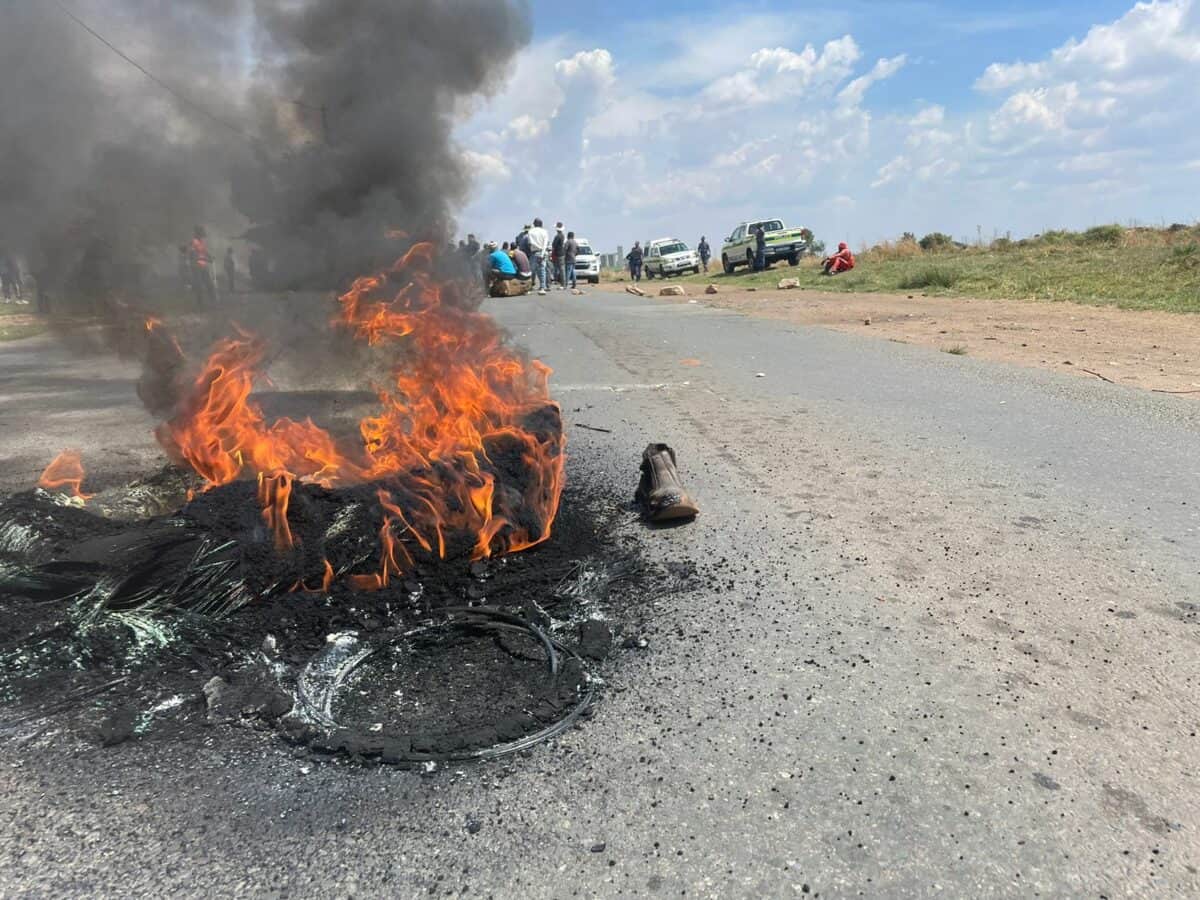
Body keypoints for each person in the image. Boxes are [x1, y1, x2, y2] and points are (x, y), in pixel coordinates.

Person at [189, 226, 216, 306]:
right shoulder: (193, 242)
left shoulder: (201, 242)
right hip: (196, 266)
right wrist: (206, 259)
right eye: (201, 235)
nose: (203, 237)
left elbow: (204, 251)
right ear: (198, 234)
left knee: (209, 283)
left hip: (203, 266)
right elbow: (194, 256)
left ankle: (213, 301)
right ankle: (200, 303)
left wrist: (210, 256)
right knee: (199, 285)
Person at [527, 217, 550, 295]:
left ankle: (529, 288)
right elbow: (545, 243)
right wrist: (542, 253)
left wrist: (537, 247)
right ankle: (542, 288)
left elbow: (530, 243)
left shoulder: (530, 231)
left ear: (534, 224)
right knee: (542, 270)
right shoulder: (545, 231)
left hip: (534, 253)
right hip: (543, 253)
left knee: (531, 271)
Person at [551, 222, 566, 290]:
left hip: (558, 254)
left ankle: (562, 284)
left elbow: (553, 245)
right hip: (562, 253)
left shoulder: (557, 236)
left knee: (561, 269)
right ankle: (562, 283)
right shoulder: (562, 235)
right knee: (561, 269)